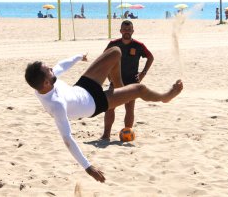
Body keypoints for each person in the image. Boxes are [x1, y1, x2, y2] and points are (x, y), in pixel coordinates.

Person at [25, 47, 183, 183]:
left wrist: (79, 57)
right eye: (49, 70)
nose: (52, 70)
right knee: (139, 89)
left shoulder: (45, 83)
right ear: (46, 82)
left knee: (115, 52)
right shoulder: (56, 104)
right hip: (94, 103)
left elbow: (61, 66)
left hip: (83, 88)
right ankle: (165, 97)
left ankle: (120, 88)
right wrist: (88, 167)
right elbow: (67, 139)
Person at [101, 20, 154, 140]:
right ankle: (106, 135)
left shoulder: (139, 45)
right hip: (115, 81)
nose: (127, 32)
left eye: (129, 30)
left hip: (132, 82)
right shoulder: (113, 44)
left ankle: (127, 134)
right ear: (120, 31)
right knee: (109, 107)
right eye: (124, 30)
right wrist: (109, 75)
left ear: (133, 31)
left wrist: (143, 73)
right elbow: (103, 58)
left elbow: (150, 57)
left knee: (129, 109)